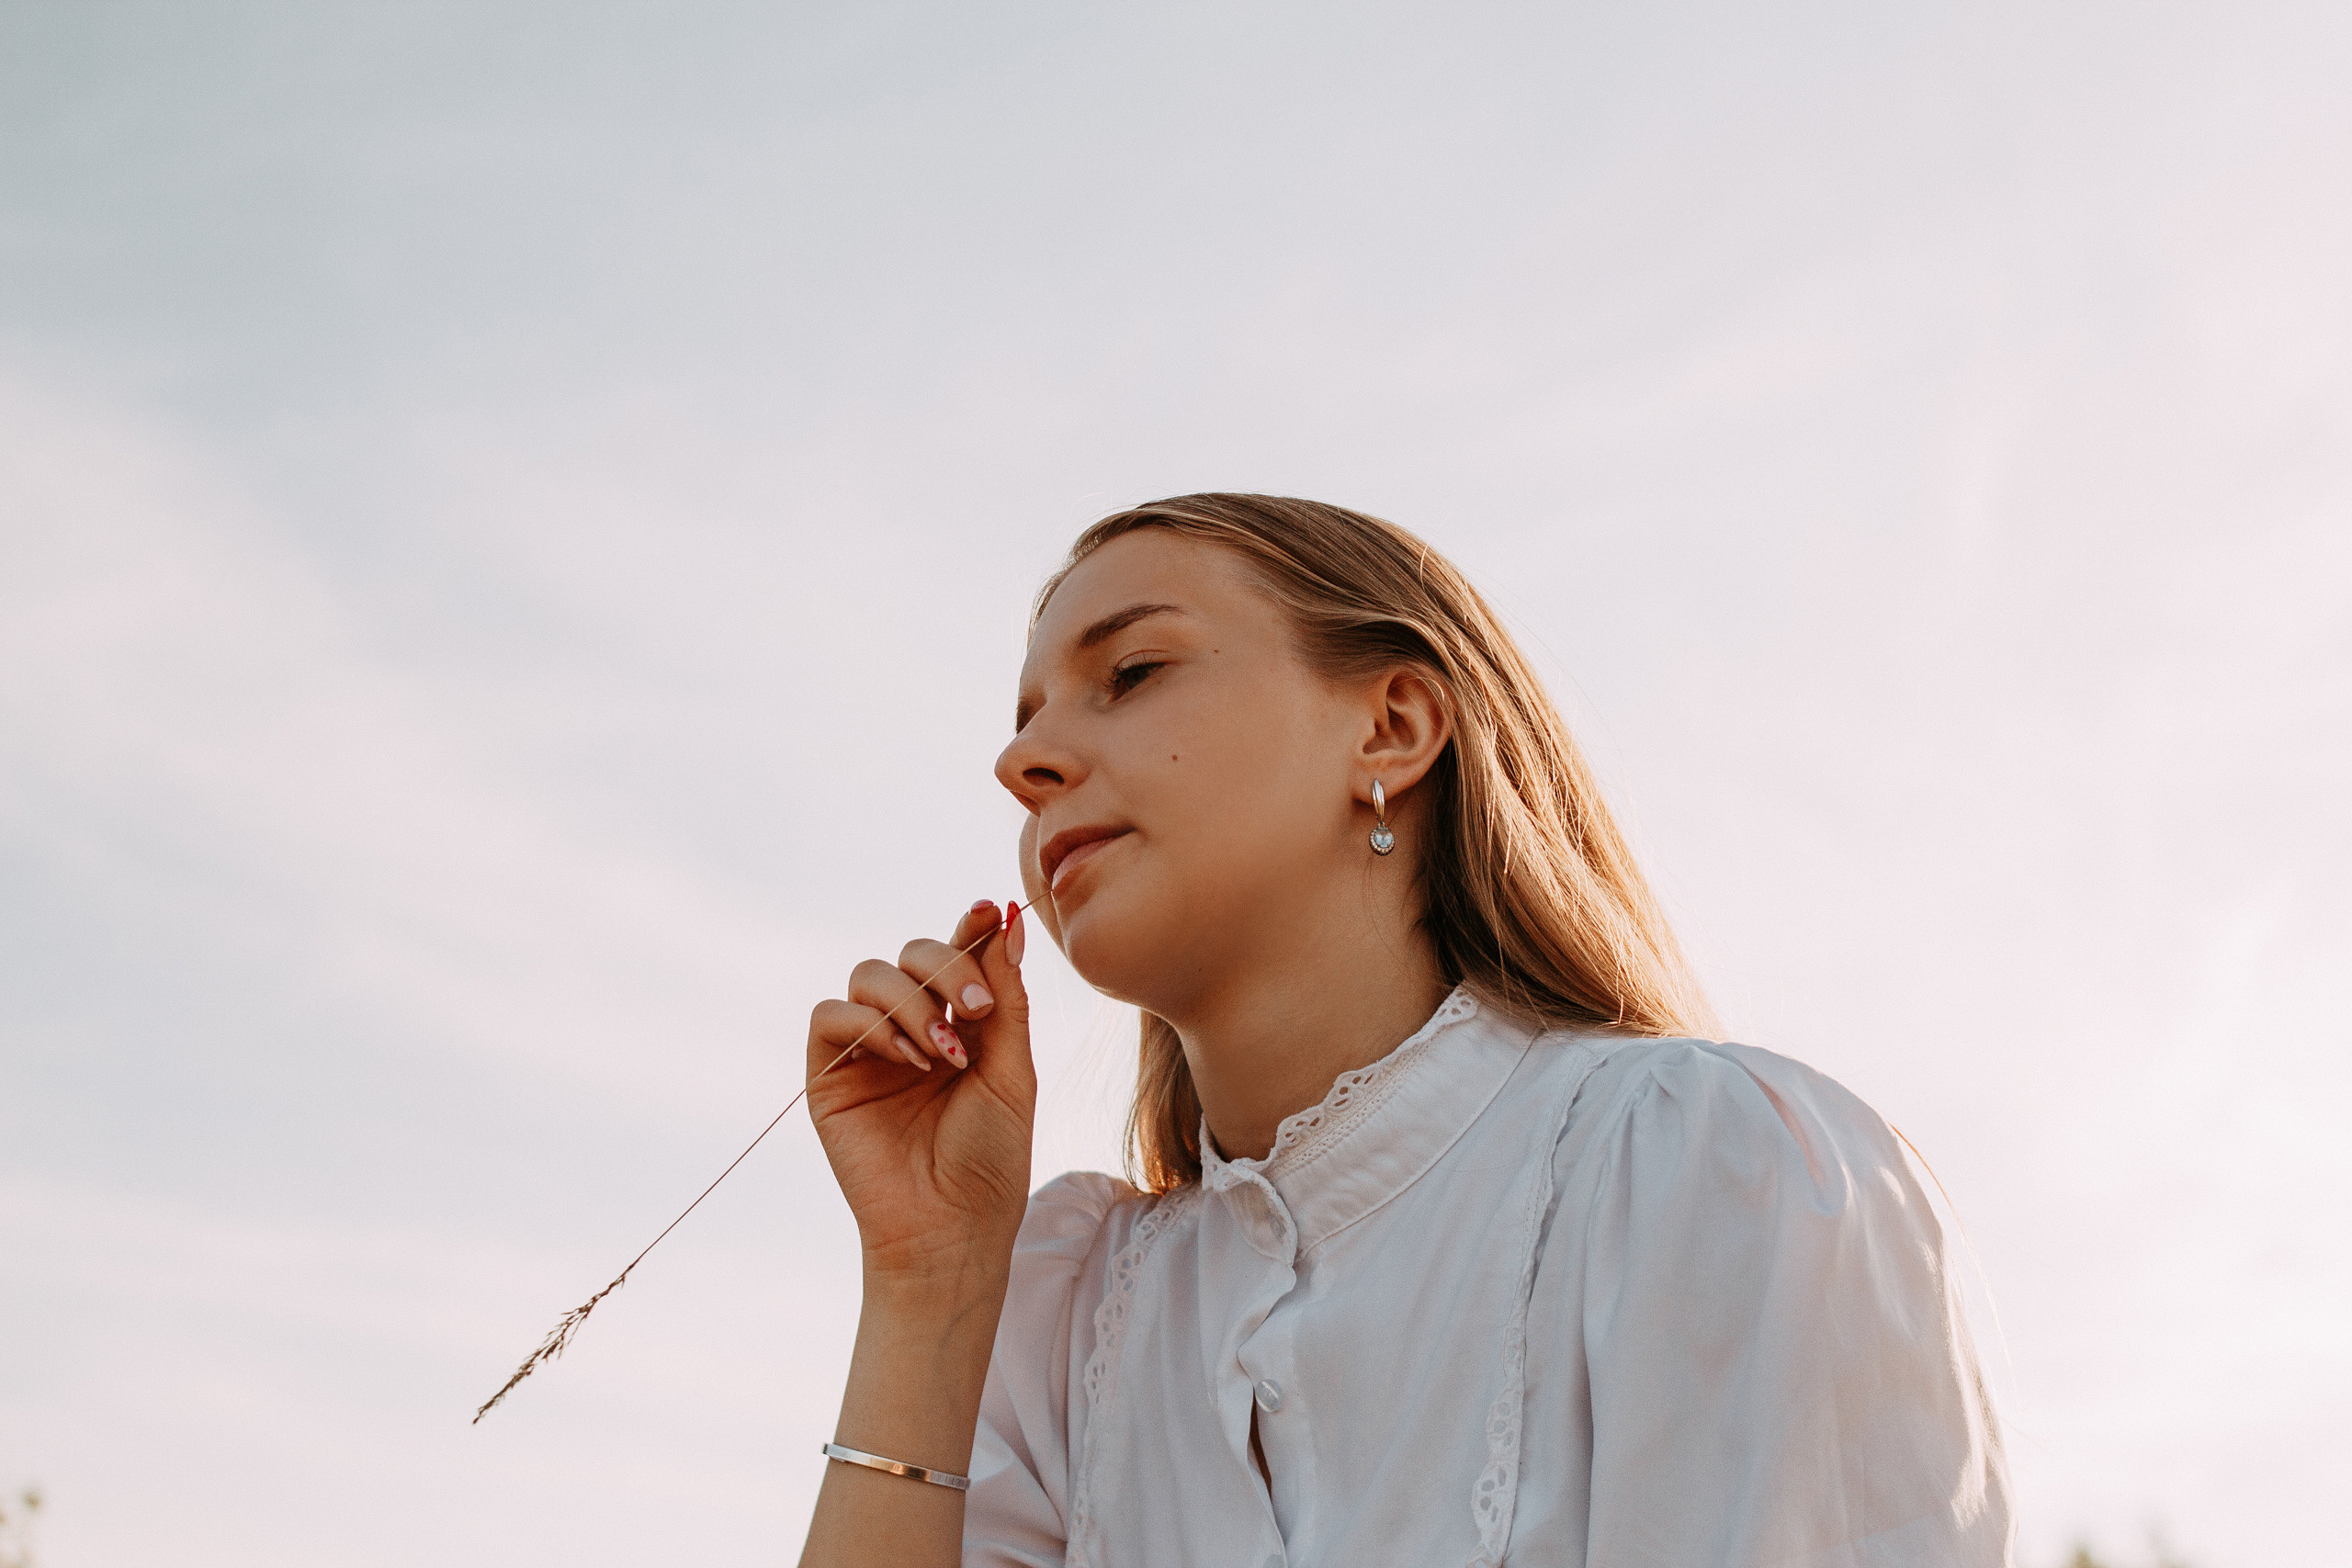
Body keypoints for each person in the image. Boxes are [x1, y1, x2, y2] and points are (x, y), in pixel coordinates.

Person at [797, 494, 2012, 1567]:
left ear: (1392, 727)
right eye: (1025, 718)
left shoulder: (1711, 1176)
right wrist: (929, 1283)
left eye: (1131, 673)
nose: (1023, 760)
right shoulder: (1064, 1318)